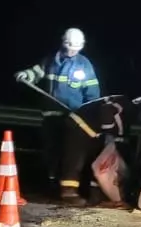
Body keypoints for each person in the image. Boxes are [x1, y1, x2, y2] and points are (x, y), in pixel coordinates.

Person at [15, 28, 101, 203]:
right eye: (69, 46)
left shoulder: (84, 65)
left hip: (73, 118)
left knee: (70, 152)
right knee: (51, 150)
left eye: (75, 47)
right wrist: (25, 75)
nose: (71, 50)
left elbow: (93, 94)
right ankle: (51, 184)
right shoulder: (50, 61)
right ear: (63, 42)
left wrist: (90, 114)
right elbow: (36, 72)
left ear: (81, 47)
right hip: (51, 115)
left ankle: (67, 189)